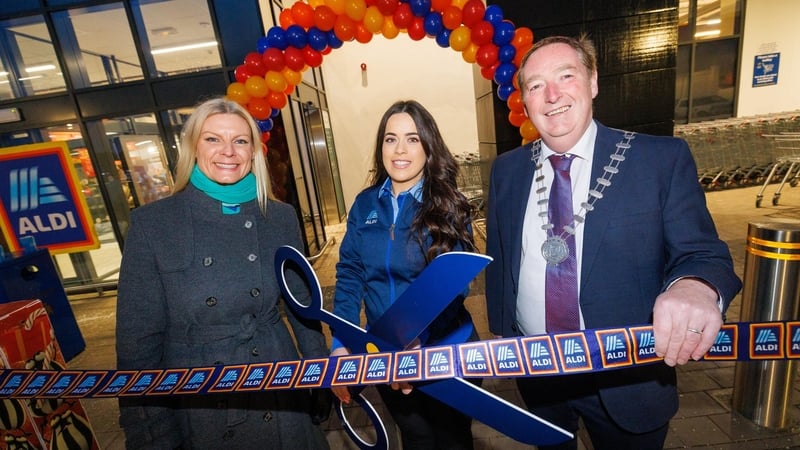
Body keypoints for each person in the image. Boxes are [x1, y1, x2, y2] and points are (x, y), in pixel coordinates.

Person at [484, 35, 742, 450]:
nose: (551, 95)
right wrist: (501, 331)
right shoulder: (507, 170)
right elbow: (500, 256)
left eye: (565, 76)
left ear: (593, 82)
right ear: (525, 102)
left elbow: (703, 253)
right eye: (535, 85)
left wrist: (695, 287)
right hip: (538, 371)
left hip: (628, 378)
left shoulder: (658, 160)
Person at [115, 97, 330, 449]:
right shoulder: (154, 224)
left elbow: (301, 307)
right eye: (213, 139)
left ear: (253, 152)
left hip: (278, 380)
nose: (228, 151)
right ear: (193, 147)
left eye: (240, 141)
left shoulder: (279, 217)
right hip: (202, 394)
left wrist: (320, 376)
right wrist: (150, 432)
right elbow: (137, 343)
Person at [330, 100, 478, 449]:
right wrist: (341, 343)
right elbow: (350, 273)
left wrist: (415, 342)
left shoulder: (450, 205)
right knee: (415, 438)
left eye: (412, 139)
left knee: (452, 440)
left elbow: (453, 286)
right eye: (390, 139)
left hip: (444, 351)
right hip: (386, 353)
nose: (399, 150)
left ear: (428, 147)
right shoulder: (365, 204)